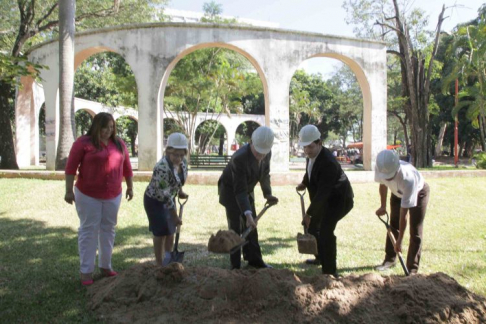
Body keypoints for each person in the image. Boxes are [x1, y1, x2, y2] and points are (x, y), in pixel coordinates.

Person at [65, 112, 133, 286]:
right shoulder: (83, 143)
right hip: (88, 195)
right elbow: (71, 168)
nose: (108, 131)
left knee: (108, 229)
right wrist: (68, 191)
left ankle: (105, 266)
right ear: (96, 126)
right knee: (89, 230)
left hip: (113, 194)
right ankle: (86, 271)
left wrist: (130, 187)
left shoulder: (119, 144)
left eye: (111, 127)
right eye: (105, 127)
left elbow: (127, 168)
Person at [296, 125, 354, 277]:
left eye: (310, 147)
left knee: (326, 231)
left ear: (319, 143)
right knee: (314, 228)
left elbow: (323, 193)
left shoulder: (328, 162)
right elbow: (310, 171)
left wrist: (309, 214)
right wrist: (304, 182)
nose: (307, 150)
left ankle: (330, 271)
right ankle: (320, 257)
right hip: (325, 200)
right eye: (305, 147)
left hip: (339, 201)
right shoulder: (312, 156)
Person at [218, 126, 279, 270]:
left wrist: (267, 194)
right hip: (231, 191)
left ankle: (254, 260)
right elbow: (239, 191)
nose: (260, 156)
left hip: (246, 190)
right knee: (235, 228)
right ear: (251, 142)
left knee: (252, 227)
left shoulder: (266, 152)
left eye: (263, 154)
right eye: (258, 153)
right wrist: (247, 213)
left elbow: (264, 174)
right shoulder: (239, 158)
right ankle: (235, 266)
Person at [374, 149, 430, 275]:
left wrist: (399, 240)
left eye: (391, 176)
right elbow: (383, 184)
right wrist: (383, 206)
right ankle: (390, 259)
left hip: (418, 192)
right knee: (393, 224)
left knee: (415, 229)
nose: (388, 179)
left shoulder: (408, 179)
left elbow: (404, 215)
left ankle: (412, 269)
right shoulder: (381, 166)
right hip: (397, 193)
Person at [144, 133, 188, 267]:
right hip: (155, 201)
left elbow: (179, 179)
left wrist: (180, 191)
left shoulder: (183, 163)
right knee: (160, 232)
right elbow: (165, 194)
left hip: (169, 198)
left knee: (170, 231)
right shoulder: (161, 167)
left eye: (181, 155)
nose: (179, 158)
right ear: (168, 151)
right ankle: (159, 263)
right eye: (175, 155)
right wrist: (174, 216)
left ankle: (168, 259)